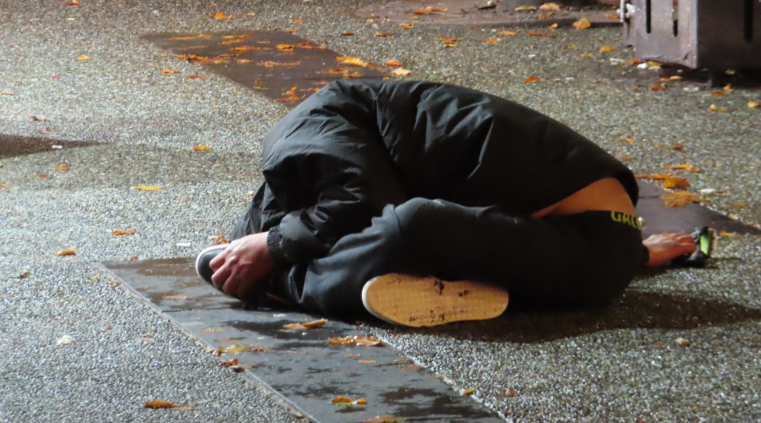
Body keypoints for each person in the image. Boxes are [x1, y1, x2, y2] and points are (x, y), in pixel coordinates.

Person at [196, 80, 709, 327]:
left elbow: (361, 200)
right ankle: (445, 284)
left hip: (587, 250)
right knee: (406, 221)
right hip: (592, 258)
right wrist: (638, 255)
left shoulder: (305, 133)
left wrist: (274, 249)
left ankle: (288, 285)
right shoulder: (368, 117)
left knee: (410, 223)